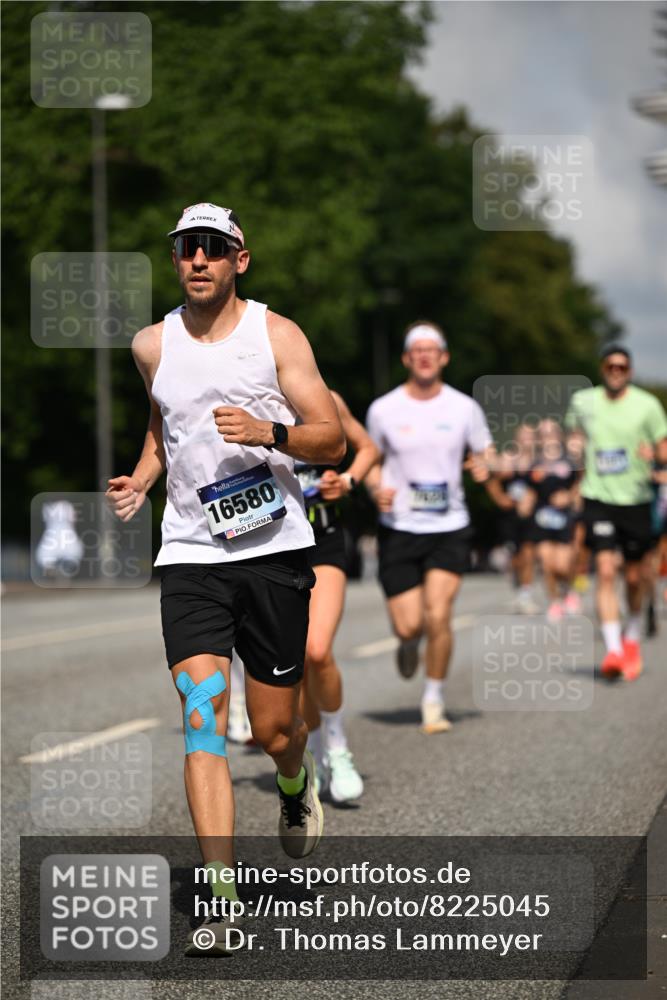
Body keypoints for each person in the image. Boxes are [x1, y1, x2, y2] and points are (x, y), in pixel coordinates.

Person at [106, 203, 345, 955]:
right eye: (186, 249)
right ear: (175, 259)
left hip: (272, 550)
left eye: (213, 247)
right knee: (202, 714)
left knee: (274, 728)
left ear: (241, 259)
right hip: (190, 554)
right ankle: (220, 898)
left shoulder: (276, 335)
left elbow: (331, 437)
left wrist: (269, 432)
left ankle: (292, 779)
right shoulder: (152, 344)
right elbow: (161, 423)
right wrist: (143, 480)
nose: (198, 259)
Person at [365, 321, 493, 734]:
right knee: (410, 625)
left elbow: (485, 452)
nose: (424, 356)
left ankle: (433, 699)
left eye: (431, 349)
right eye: (416, 350)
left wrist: (484, 465)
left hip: (449, 525)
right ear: (406, 358)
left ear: (444, 357)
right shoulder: (383, 409)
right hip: (399, 526)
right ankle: (406, 642)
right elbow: (371, 460)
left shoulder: (463, 408)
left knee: (439, 615)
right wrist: (373, 488)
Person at [296, 391, 379, 803]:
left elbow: (367, 447)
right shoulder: (244, 399)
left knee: (317, 650)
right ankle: (310, 752)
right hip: (269, 549)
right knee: (291, 665)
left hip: (324, 539)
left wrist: (346, 481)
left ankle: (337, 745)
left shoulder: (323, 398)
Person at [565, 345, 667, 681]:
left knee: (636, 578)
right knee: (606, 571)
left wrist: (655, 454)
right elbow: (573, 436)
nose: (616, 372)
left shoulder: (647, 405)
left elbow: (663, 446)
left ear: (630, 371)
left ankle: (632, 635)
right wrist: (575, 449)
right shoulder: (583, 402)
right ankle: (613, 649)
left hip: (636, 499)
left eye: (622, 367)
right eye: (611, 366)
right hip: (598, 497)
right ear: (602, 369)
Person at [525, 419, 581, 621]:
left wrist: (569, 496)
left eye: (552, 433)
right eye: (544, 434)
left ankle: (569, 589)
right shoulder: (535, 463)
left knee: (563, 565)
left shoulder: (570, 461)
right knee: (547, 564)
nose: (548, 437)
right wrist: (525, 501)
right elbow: (530, 489)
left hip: (564, 518)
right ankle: (555, 601)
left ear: (559, 435)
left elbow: (581, 483)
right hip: (542, 518)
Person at [484, 423, 539, 614]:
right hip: (510, 518)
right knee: (515, 558)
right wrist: (501, 499)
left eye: (530, 436)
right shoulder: (508, 460)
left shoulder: (540, 461)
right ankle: (518, 585)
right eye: (523, 436)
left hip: (532, 516)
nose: (527, 440)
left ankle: (526, 594)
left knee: (529, 553)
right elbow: (491, 481)